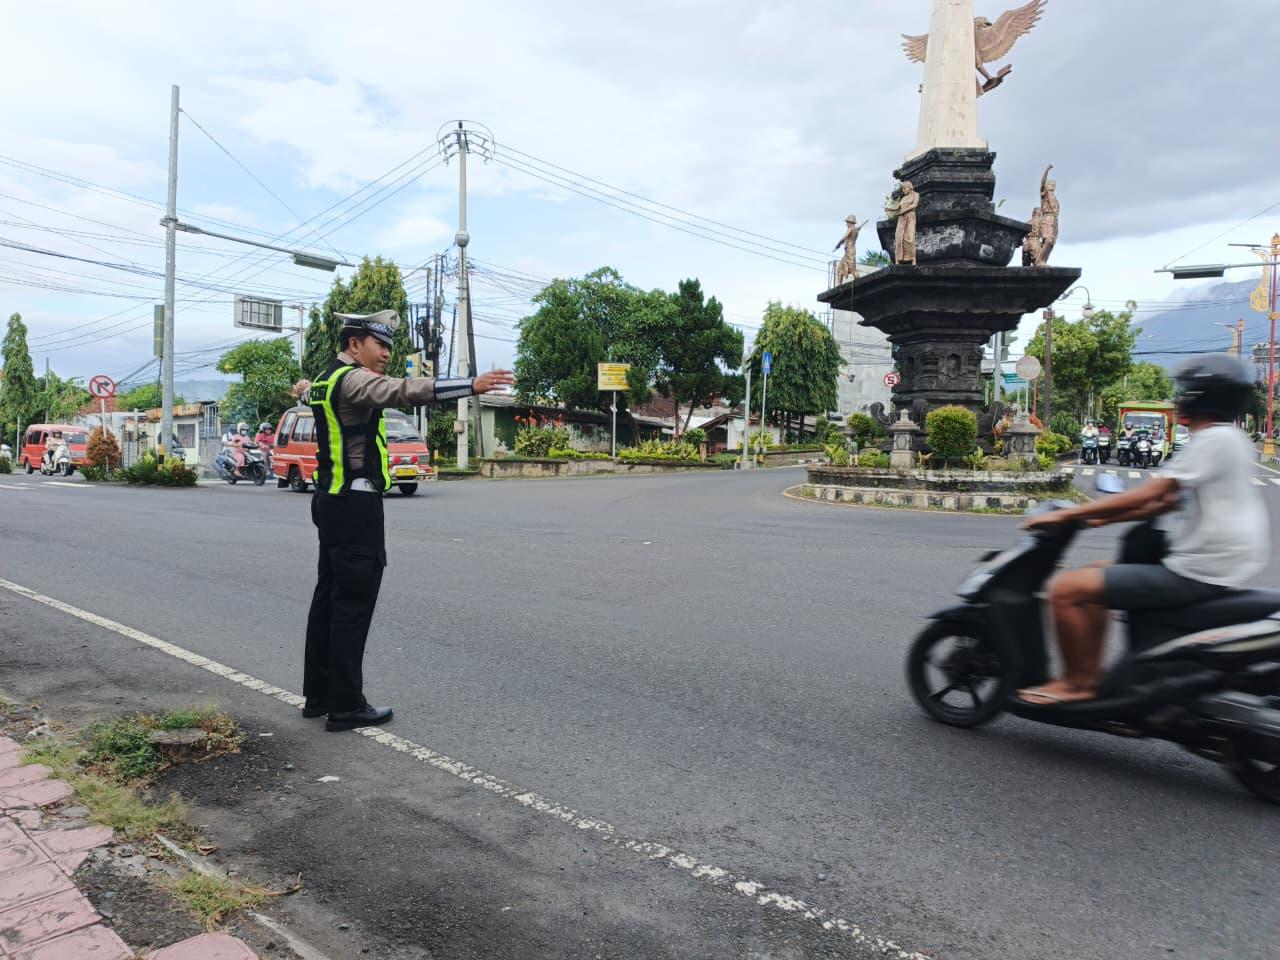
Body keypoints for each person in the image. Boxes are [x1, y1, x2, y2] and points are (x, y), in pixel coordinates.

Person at [296, 309, 514, 731]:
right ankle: (345, 705)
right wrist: (470, 385)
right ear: (355, 344)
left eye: (390, 348)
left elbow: (305, 392)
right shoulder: (356, 380)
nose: (386, 355)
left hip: (330, 502)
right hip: (356, 507)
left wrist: (301, 387)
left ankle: (318, 695)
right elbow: (405, 391)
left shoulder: (324, 380)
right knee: (351, 605)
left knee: (327, 599)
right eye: (380, 346)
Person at [1018, 354, 1267, 705]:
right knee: (1094, 572)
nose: (1180, 397)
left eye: (1187, 391)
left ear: (1203, 397)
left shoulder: (1213, 441)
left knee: (1065, 589)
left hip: (1196, 570)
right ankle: (1096, 677)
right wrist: (1100, 518)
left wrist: (1069, 516)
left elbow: (1154, 492)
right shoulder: (1230, 439)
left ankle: (1078, 684)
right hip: (1218, 566)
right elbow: (1163, 504)